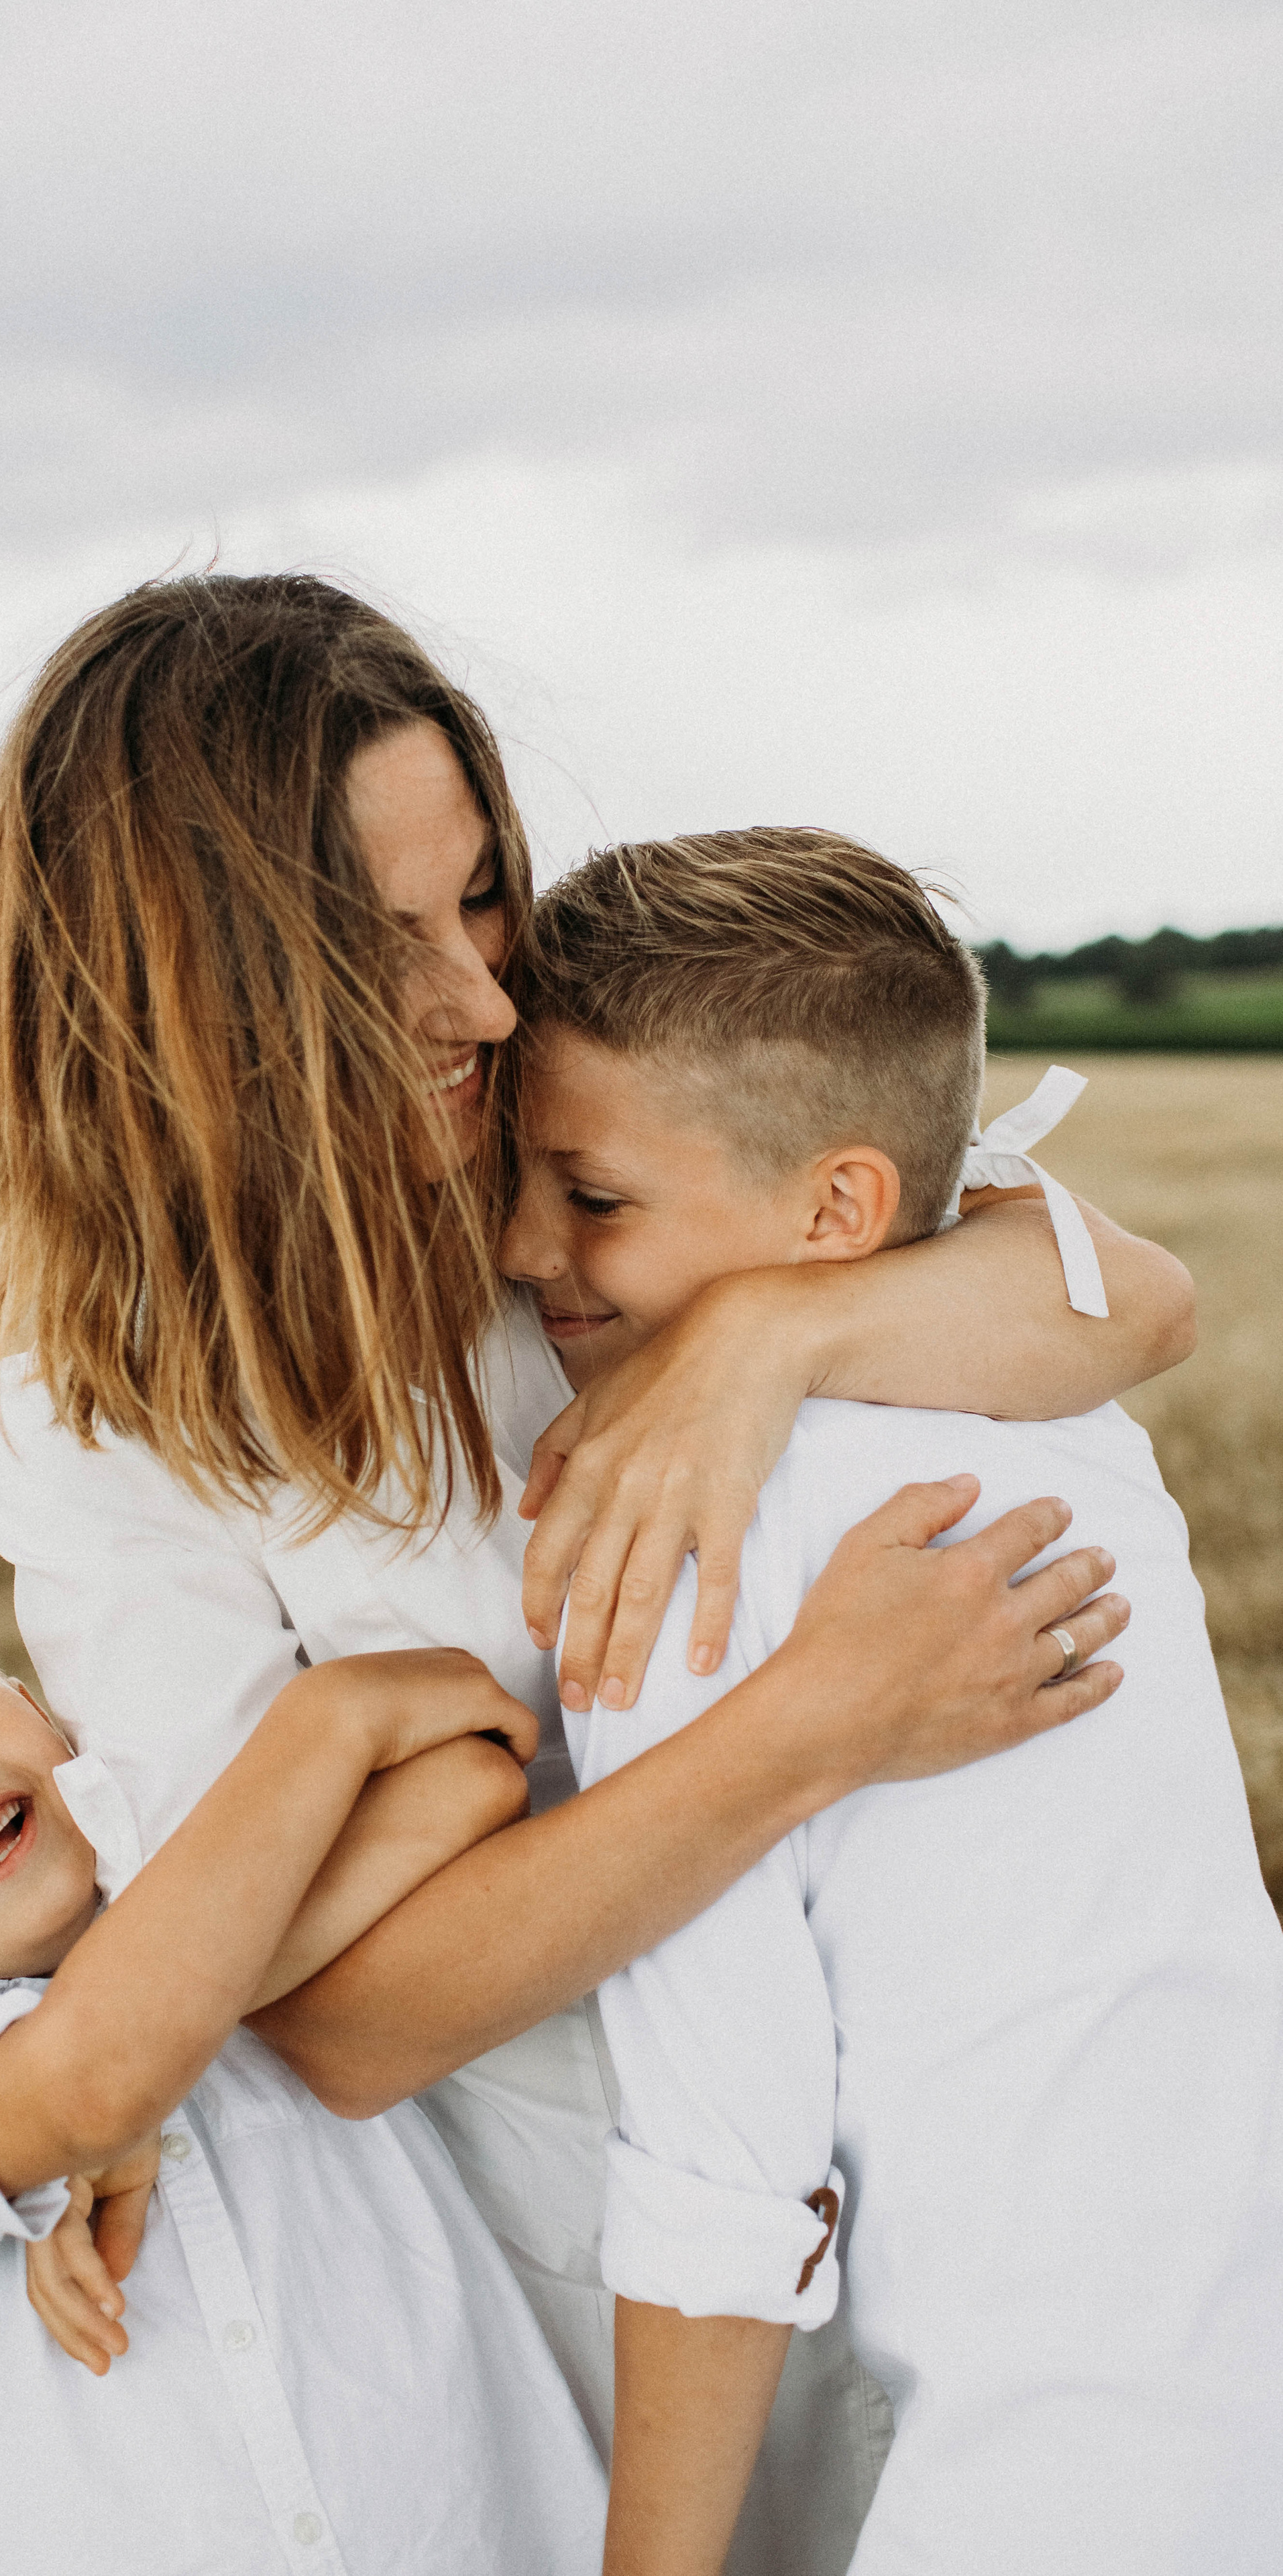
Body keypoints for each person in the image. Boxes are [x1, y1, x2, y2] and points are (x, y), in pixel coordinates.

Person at [0, 572, 1187, 2553]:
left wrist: (774, 1341)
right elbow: (338, 2013)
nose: (483, 1000)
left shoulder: (577, 1143)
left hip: (963, 2149)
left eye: (483, 895)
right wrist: (821, 1722)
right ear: (188, 994)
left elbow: (1124, 1294)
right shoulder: (108, 1408)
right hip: (602, 2244)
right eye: (380, 945)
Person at [500, 826, 1283, 2576]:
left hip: (1057, 2475)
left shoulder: (689, 1535)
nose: (520, 1240)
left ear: (837, 1210)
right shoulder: (1064, 1415)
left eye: (593, 1197)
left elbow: (722, 2167)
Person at [0, 1549, 610, 2575]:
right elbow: (89, 2085)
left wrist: (330, 1720)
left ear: (33, 1706)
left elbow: (472, 1775)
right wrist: (325, 1739)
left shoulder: (198, 1855)